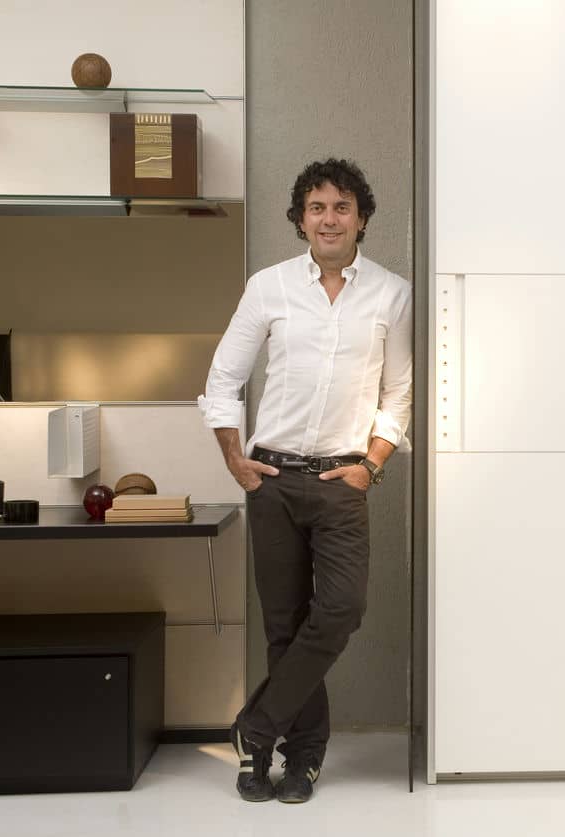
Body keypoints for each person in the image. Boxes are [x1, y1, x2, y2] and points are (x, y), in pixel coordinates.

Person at [198, 158, 412, 803]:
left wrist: (371, 464)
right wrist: (235, 460)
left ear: (362, 219)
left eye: (342, 207)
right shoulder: (269, 286)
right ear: (300, 219)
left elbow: (398, 394)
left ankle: (256, 728)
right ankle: (298, 758)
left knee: (341, 609)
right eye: (317, 207)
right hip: (273, 480)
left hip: (342, 481)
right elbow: (224, 378)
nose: (329, 219)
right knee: (284, 627)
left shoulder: (391, 293)